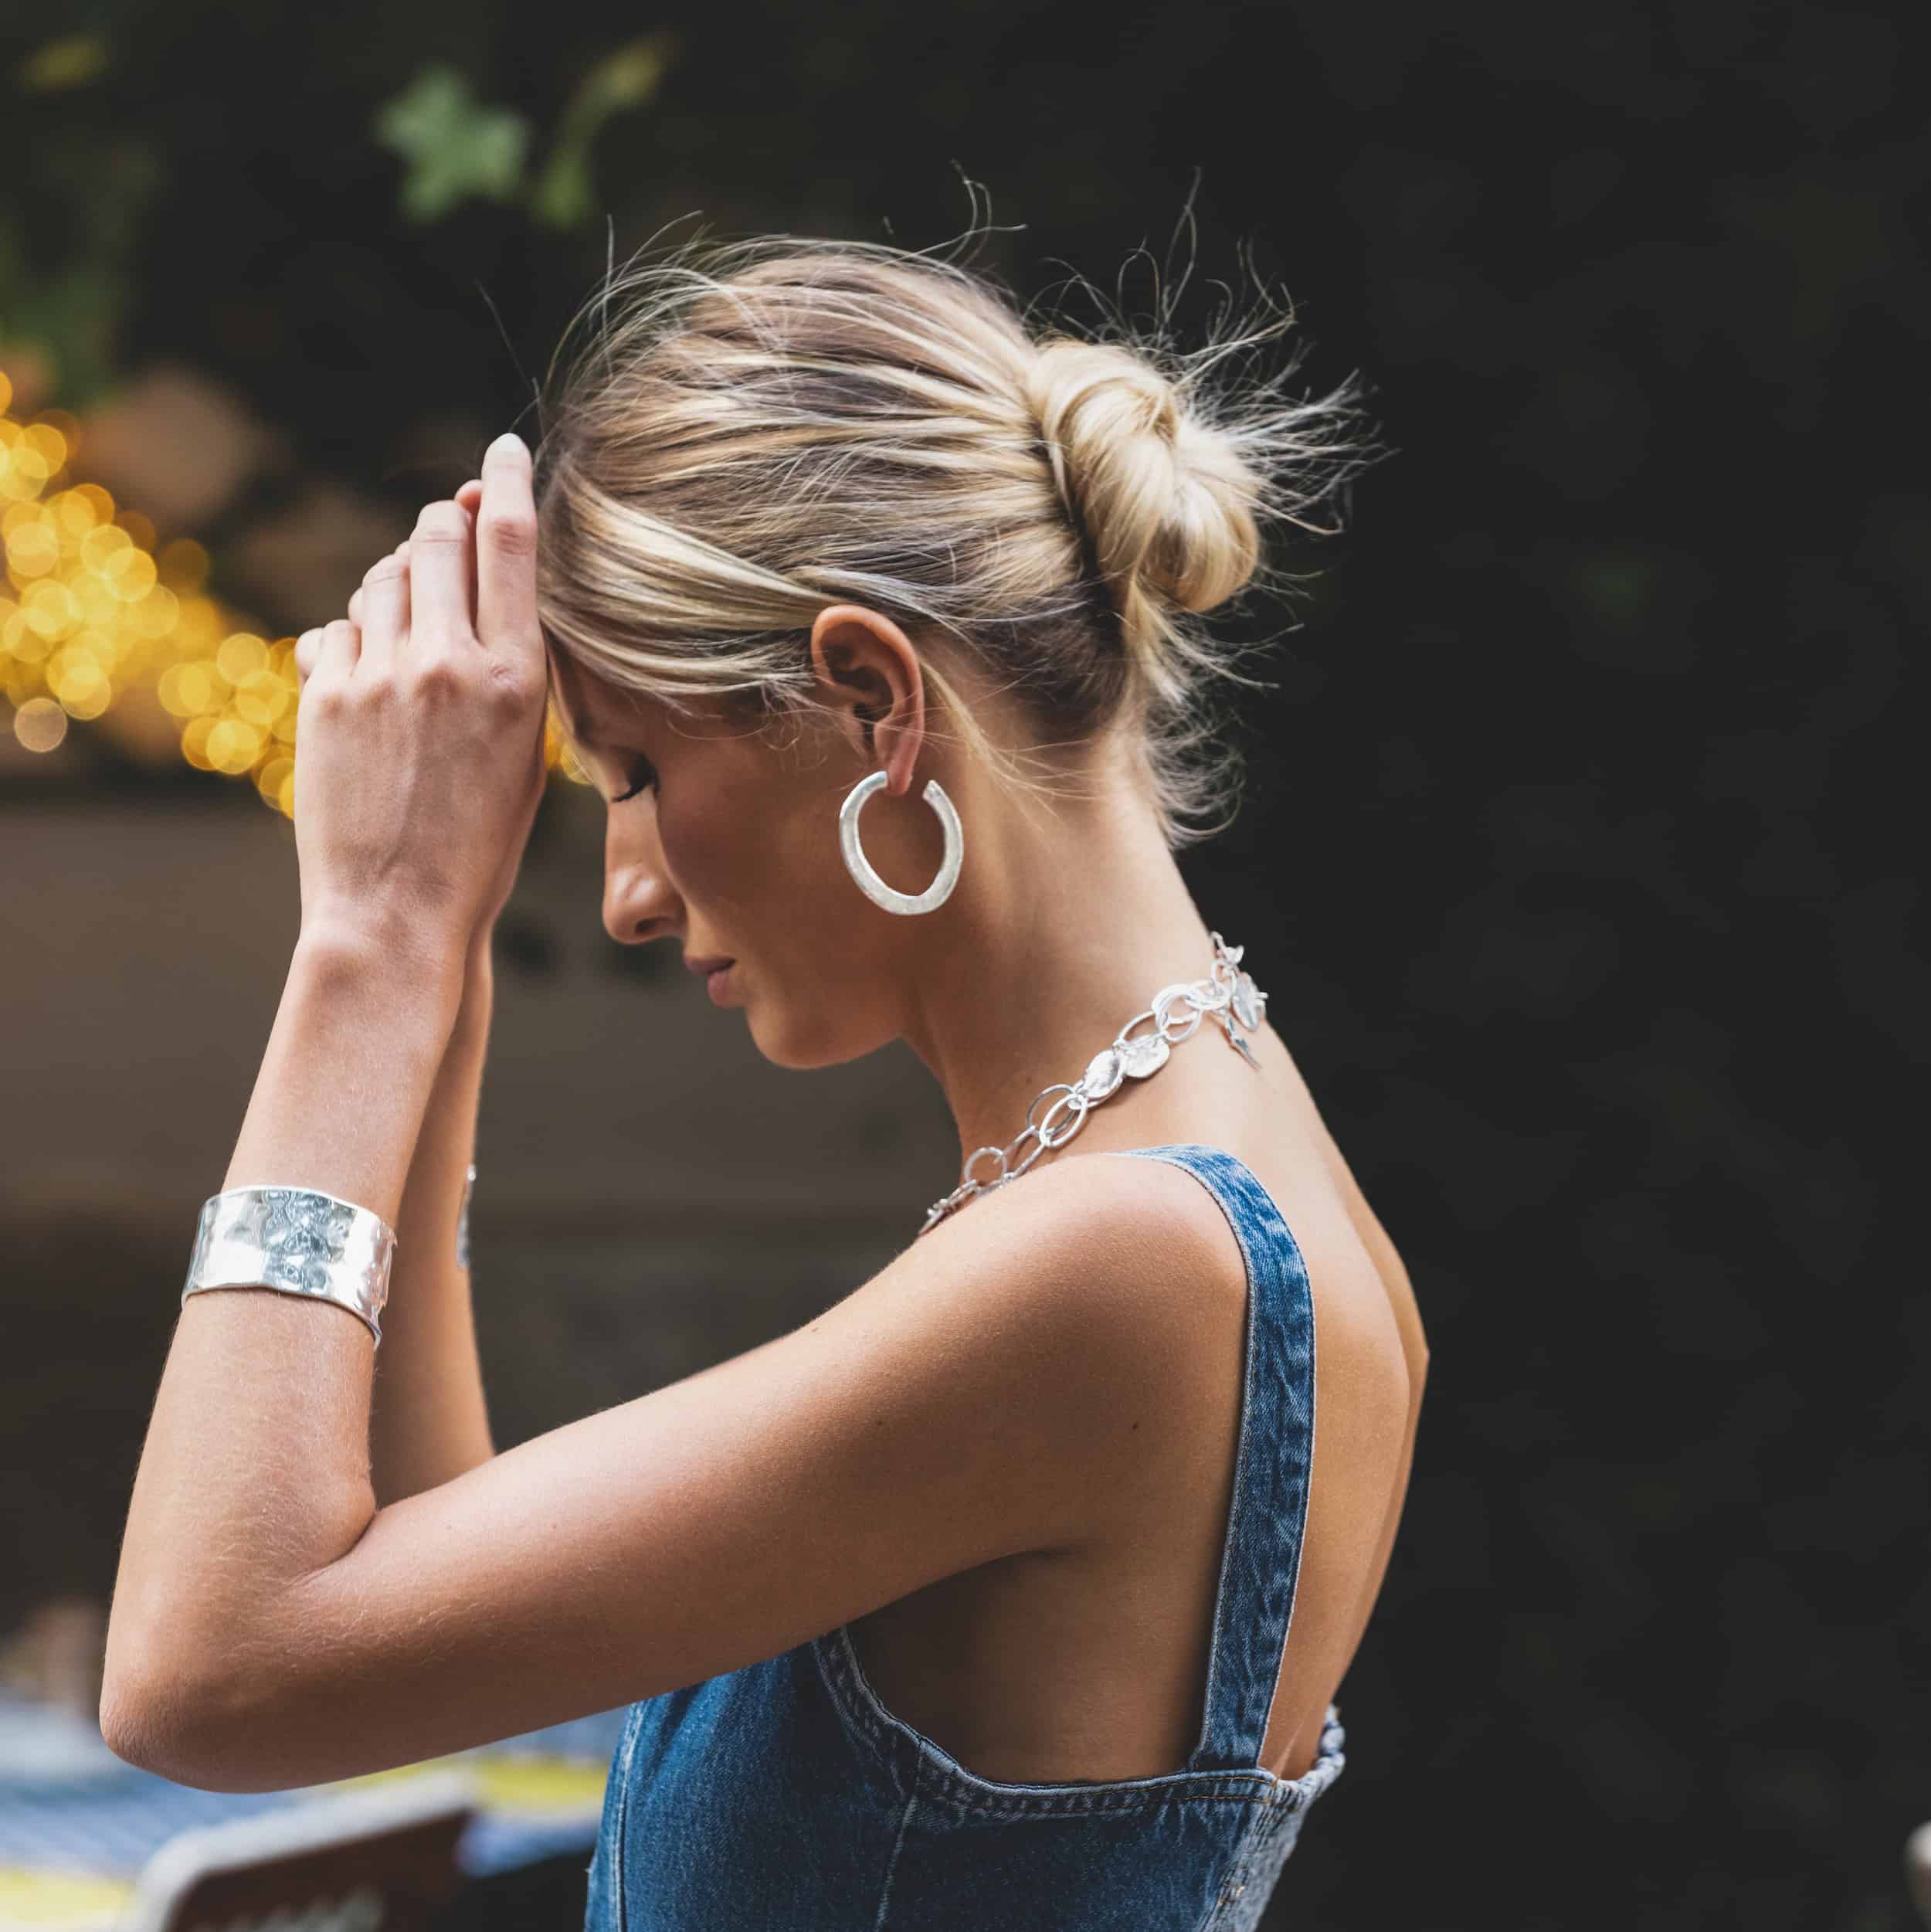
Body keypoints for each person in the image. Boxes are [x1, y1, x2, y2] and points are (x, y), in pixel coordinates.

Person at [101, 226, 1429, 1932]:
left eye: (639, 773)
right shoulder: (1244, 1179)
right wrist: (434, 974)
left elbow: (210, 1676)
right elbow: (420, 1582)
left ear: (872, 699)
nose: (629, 892)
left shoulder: (1124, 1268)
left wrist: (366, 943)